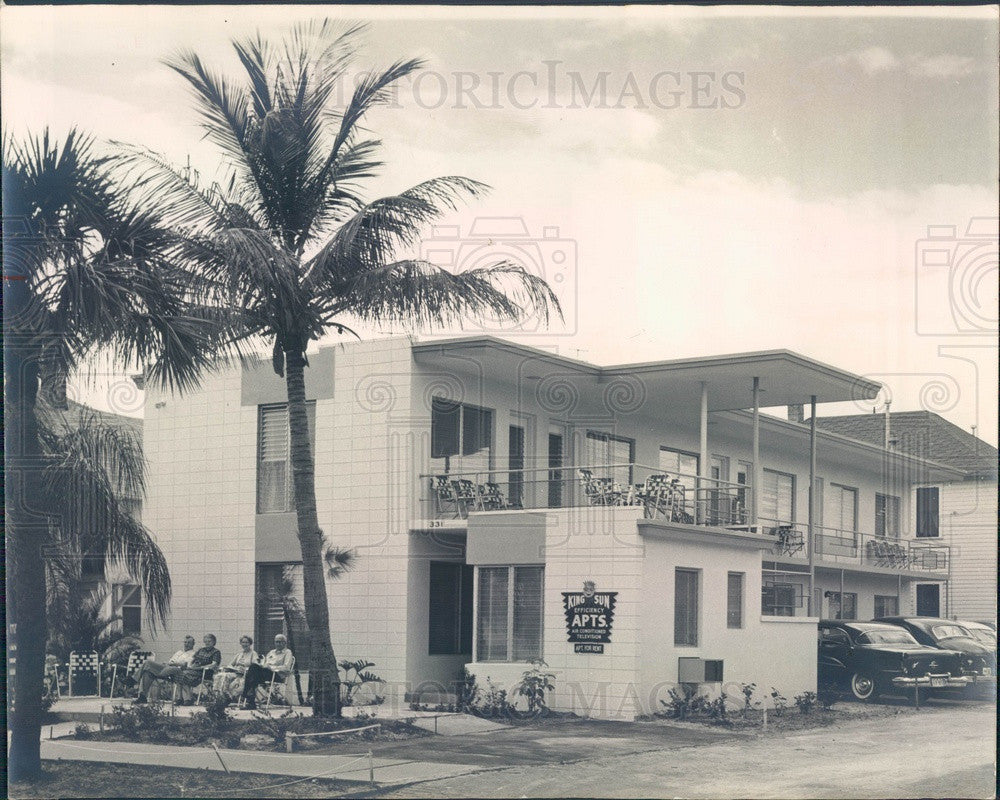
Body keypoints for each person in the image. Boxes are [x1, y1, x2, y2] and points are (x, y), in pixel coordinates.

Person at [133, 635, 196, 702]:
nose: (186, 644)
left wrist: (173, 663)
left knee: (150, 668)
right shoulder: (179, 652)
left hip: (178, 672)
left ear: (193, 644)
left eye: (189, 643)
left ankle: (133, 680)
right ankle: (142, 697)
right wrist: (171, 663)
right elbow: (170, 661)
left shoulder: (194, 654)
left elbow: (185, 665)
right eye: (185, 642)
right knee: (147, 670)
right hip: (168, 669)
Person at [240, 634, 294, 709]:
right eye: (276, 642)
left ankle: (245, 696)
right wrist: (262, 664)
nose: (277, 644)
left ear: (284, 643)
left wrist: (271, 668)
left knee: (253, 673)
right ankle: (251, 702)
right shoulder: (271, 652)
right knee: (253, 668)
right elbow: (264, 662)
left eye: (280, 642)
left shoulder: (288, 652)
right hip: (265, 674)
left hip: (277, 675)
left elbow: (286, 667)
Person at [175, 633, 223, 704]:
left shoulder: (216, 652)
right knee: (179, 674)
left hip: (206, 672)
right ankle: (180, 698)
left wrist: (200, 667)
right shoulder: (201, 650)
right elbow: (193, 660)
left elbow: (214, 664)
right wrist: (191, 666)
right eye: (206, 641)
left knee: (184, 675)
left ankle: (188, 699)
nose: (207, 643)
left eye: (209, 641)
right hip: (194, 670)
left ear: (214, 642)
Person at [213, 635, 259, 700]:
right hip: (236, 673)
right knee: (220, 675)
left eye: (246, 642)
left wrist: (245, 669)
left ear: (250, 643)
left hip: (245, 675)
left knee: (227, 678)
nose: (244, 644)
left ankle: (227, 697)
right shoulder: (239, 654)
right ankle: (219, 695)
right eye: (243, 642)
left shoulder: (253, 654)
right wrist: (233, 668)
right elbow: (230, 664)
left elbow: (255, 666)